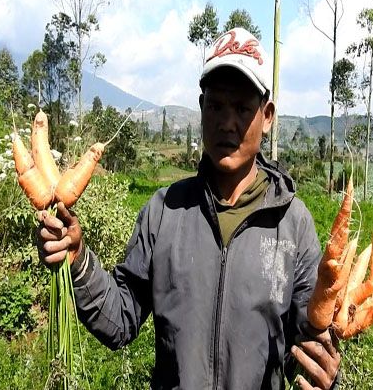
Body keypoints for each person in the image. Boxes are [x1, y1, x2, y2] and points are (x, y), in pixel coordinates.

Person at [37, 27, 342, 389]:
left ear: (268, 114)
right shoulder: (164, 211)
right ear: (201, 108)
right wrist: (77, 261)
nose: (227, 122)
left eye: (243, 108)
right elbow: (119, 320)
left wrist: (324, 373)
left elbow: (306, 344)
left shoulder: (293, 225)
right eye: (215, 105)